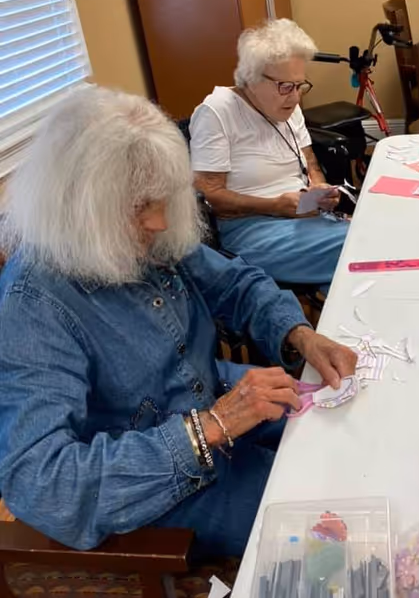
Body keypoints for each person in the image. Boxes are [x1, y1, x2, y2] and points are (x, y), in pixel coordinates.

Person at [0, 88, 357, 555]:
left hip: (212, 396)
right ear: (79, 207)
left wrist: (300, 333)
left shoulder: (140, 229)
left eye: (162, 198)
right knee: (333, 526)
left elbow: (236, 285)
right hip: (154, 486)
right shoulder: (34, 304)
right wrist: (208, 427)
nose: (160, 222)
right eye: (137, 206)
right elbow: (44, 484)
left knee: (349, 438)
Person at [190, 19, 349, 290]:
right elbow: (209, 195)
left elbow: (309, 162)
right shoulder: (217, 111)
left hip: (304, 216)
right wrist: (274, 206)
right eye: (286, 86)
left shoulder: (288, 105)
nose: (296, 97)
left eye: (300, 86)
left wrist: (318, 189)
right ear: (251, 78)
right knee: (363, 246)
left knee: (364, 253)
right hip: (252, 231)